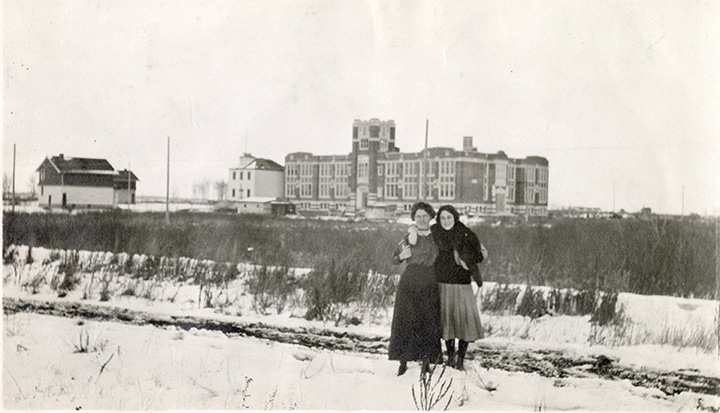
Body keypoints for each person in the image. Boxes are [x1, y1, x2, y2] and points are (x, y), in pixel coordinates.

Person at [388, 201, 442, 376]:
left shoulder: (436, 236)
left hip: (430, 280)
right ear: (413, 218)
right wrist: (401, 256)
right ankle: (403, 361)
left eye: (424, 216)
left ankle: (426, 361)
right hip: (410, 281)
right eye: (418, 216)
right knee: (407, 320)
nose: (421, 219)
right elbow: (394, 258)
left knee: (428, 320)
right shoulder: (408, 237)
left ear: (430, 217)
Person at [431, 204, 485, 371]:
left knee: (463, 322)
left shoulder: (466, 233)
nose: (446, 221)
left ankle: (460, 359)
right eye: (442, 218)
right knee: (447, 322)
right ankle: (450, 357)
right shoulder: (434, 233)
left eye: (449, 217)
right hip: (442, 283)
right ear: (439, 219)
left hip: (462, 284)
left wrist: (466, 259)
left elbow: (480, 255)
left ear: (455, 218)